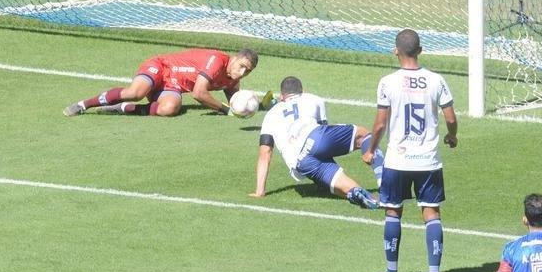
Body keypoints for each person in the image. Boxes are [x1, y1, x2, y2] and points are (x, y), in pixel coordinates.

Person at [362, 28, 458, 272]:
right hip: (428, 161)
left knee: (393, 211)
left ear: (395, 50)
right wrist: (452, 136)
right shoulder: (436, 80)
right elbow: (450, 118)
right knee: (431, 213)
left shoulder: (387, 82)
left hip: (397, 160)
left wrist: (371, 150)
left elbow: (380, 124)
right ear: (420, 51)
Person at [249, 75, 380, 210]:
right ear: (303, 91)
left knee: (347, 188)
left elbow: (265, 154)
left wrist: (260, 191)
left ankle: (355, 192)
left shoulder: (270, 115)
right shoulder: (313, 99)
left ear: (282, 96)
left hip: (301, 162)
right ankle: (383, 183)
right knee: (363, 135)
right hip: (315, 138)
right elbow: (324, 131)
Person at [63, 47, 258, 117]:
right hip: (161, 68)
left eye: (247, 71)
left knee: (170, 108)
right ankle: (84, 104)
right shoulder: (217, 61)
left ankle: (122, 108)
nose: (242, 73)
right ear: (234, 58)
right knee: (136, 93)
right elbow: (199, 93)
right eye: (241, 66)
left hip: (172, 87)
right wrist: (225, 110)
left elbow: (236, 100)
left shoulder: (233, 79)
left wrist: (254, 106)